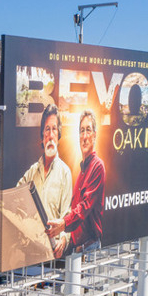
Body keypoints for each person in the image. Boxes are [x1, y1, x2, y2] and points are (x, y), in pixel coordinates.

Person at [49, 110, 106, 256]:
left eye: (88, 130)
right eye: (82, 131)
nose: (85, 136)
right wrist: (64, 238)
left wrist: (63, 224)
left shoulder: (97, 167)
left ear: (95, 135)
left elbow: (84, 208)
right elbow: (73, 211)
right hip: (77, 251)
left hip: (90, 250)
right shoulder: (81, 171)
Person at [16, 103, 73, 221]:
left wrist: (59, 234)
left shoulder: (65, 173)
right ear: (42, 136)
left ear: (58, 134)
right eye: (47, 129)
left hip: (53, 234)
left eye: (54, 129)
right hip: (32, 233)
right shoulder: (32, 172)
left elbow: (66, 217)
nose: (51, 135)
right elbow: (15, 197)